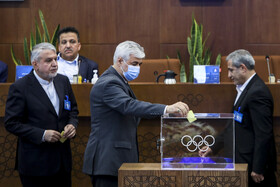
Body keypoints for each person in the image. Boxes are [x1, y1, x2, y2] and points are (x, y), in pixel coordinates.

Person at [83, 40, 190, 187]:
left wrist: (169, 114)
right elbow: (129, 105)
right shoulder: (108, 82)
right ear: (120, 60)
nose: (138, 68)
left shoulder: (120, 80)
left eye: (140, 64)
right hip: (108, 161)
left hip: (115, 161)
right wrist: (166, 108)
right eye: (134, 64)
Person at [4, 42, 79, 187]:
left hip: (62, 162)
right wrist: (42, 134)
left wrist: (72, 124)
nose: (54, 64)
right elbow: (11, 123)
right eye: (48, 60)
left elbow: (73, 110)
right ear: (35, 64)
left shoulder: (63, 81)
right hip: (36, 164)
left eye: (55, 59)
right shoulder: (20, 87)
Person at [199, 49, 277, 187]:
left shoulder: (258, 92)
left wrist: (258, 168)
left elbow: (263, 134)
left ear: (243, 68)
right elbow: (233, 125)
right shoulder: (244, 89)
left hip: (253, 167)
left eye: (231, 70)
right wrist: (213, 147)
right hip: (242, 163)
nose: (229, 75)